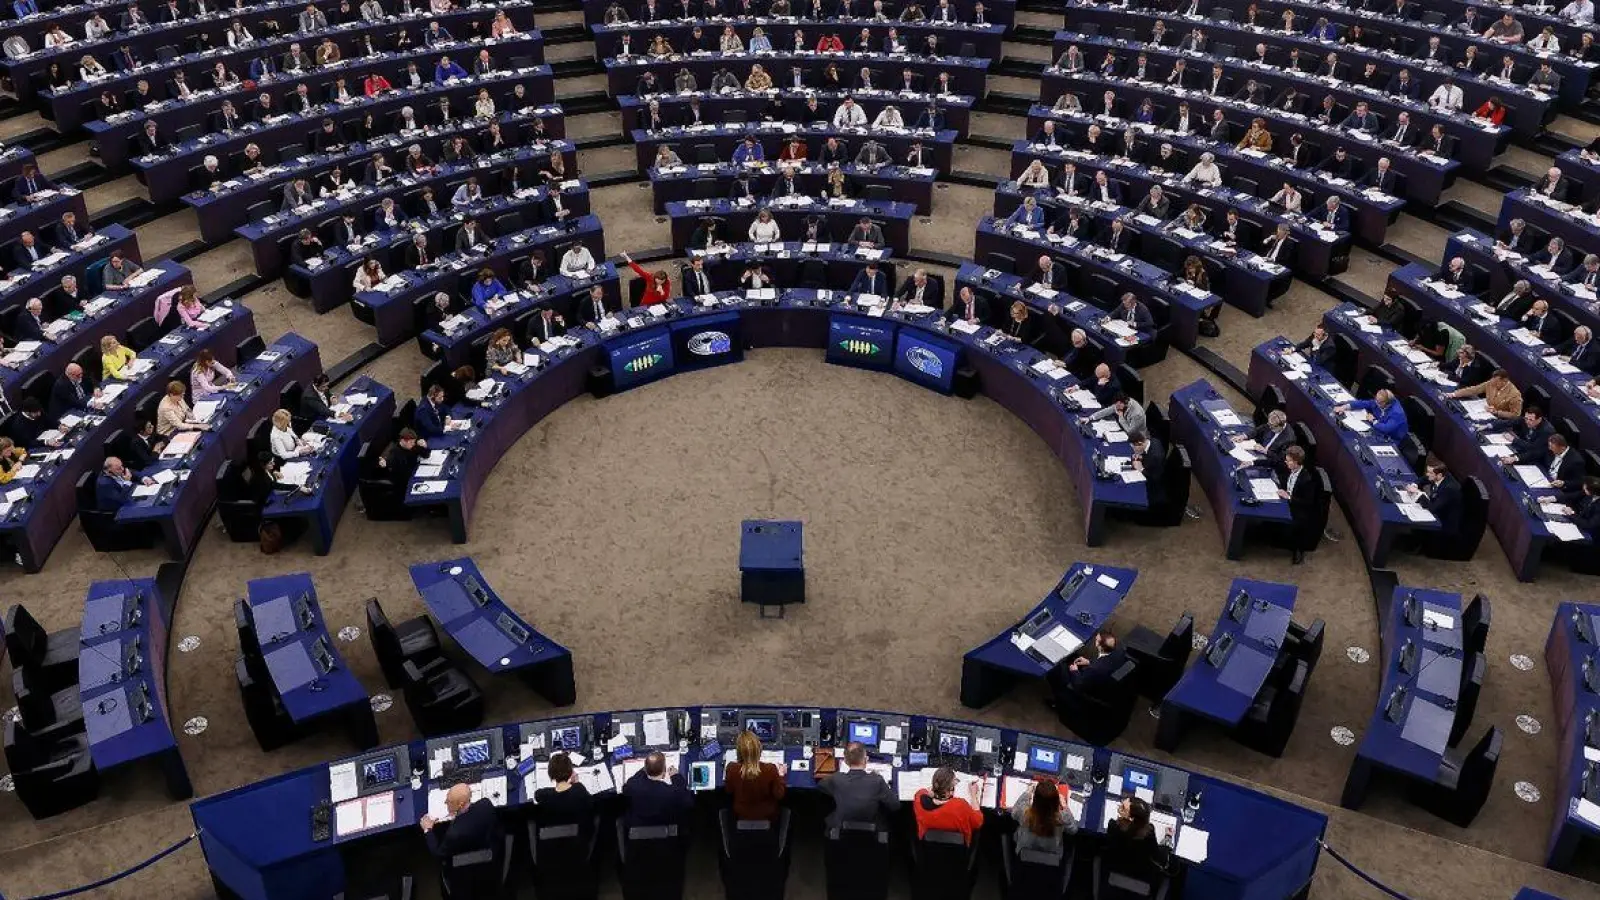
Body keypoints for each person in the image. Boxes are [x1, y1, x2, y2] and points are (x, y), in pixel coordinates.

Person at [422, 783, 504, 896]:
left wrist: (428, 829)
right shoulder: (486, 804)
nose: (446, 802)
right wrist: (457, 816)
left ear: (460, 804)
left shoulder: (455, 833)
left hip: (464, 874)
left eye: (449, 801)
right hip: (490, 854)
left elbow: (438, 854)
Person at [726, 730, 787, 822]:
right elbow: (779, 795)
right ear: (759, 749)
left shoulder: (731, 768)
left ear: (738, 751)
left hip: (741, 812)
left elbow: (729, 791)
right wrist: (781, 775)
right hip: (767, 813)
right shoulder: (770, 769)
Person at [622, 751, 694, 828]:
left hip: (638, 821)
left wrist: (648, 767)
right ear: (664, 772)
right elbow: (688, 802)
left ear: (645, 769)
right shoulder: (671, 792)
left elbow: (626, 790)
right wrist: (676, 776)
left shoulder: (633, 784)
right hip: (665, 821)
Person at [912, 767, 984, 843]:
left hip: (928, 849)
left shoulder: (918, 798)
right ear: (950, 792)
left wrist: (940, 787)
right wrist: (973, 795)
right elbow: (978, 821)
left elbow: (925, 791)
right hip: (959, 850)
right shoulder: (960, 805)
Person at [1010, 778, 1077, 855]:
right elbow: (1073, 830)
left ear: (1034, 799)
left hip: (1025, 853)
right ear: (1056, 801)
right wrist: (1065, 806)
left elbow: (1013, 814)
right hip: (1052, 855)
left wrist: (1027, 792)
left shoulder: (1024, 813)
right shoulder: (1062, 817)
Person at [1104, 797, 1160, 878]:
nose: (1119, 807)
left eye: (1123, 807)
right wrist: (1167, 838)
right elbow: (1157, 856)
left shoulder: (1113, 826)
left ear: (1131, 818)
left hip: (1114, 868)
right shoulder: (1149, 835)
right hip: (1140, 876)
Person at [534, 753, 594, 824]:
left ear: (550, 774)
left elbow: (536, 795)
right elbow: (590, 804)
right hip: (576, 828)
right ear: (571, 772)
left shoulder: (544, 794)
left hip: (552, 829)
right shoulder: (579, 789)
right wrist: (576, 783)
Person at [1447, 368, 1522, 419]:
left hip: (1498, 419)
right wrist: (1454, 394)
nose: (1493, 385)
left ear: (1505, 381)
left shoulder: (1514, 395)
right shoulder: (1491, 383)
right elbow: (1475, 390)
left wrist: (1497, 412)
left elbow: (1515, 415)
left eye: (1496, 383)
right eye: (1493, 381)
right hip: (1483, 410)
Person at [1336, 389, 1407, 441]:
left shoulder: (1397, 414)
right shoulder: (1379, 401)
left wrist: (1373, 420)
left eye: (1379, 402)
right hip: (1377, 429)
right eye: (1376, 400)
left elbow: (1386, 429)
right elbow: (1364, 403)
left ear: (1387, 404)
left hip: (1392, 439)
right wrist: (1345, 407)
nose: (1376, 403)